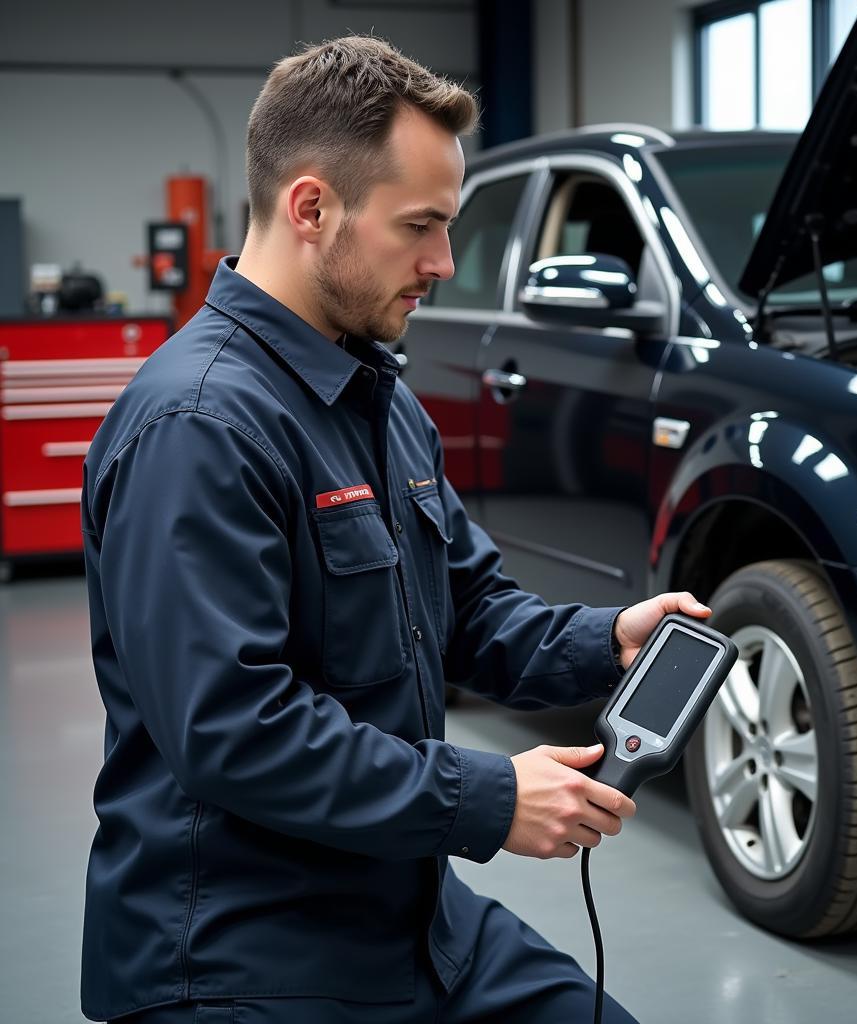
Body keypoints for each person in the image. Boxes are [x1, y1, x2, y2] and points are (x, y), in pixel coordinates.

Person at [80, 35, 712, 1024]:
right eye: (419, 226)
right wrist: (490, 797)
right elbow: (232, 729)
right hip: (243, 952)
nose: (443, 264)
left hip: (409, 916)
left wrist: (611, 638)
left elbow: (464, 611)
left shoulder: (376, 396)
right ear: (311, 208)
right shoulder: (198, 424)